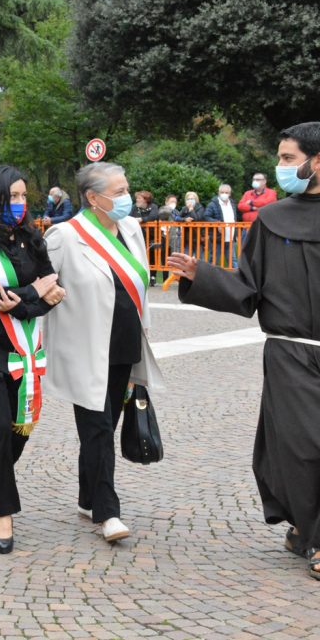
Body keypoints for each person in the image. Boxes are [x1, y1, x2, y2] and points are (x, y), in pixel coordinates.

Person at [168, 122, 320, 581]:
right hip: (293, 352)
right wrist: (200, 275)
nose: (280, 168)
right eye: (281, 158)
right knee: (302, 446)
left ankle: (309, 532)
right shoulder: (272, 222)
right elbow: (246, 289)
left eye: (289, 159)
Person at [42, 162, 163, 543]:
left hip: (125, 346)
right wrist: (46, 293)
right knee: (96, 430)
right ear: (93, 198)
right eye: (119, 191)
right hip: (85, 350)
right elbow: (42, 284)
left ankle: (86, 495)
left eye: (127, 188)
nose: (127, 198)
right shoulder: (64, 235)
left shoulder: (131, 228)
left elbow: (139, 282)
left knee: (105, 427)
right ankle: (107, 513)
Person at [0, 165, 64, 554]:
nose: (18, 204)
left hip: (26, 350)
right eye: (11, 198)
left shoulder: (33, 239)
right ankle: (3, 512)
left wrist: (25, 299)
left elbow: (51, 288)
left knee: (23, 427)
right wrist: (33, 292)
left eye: (22, 197)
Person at [203, 183, 240, 266]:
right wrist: (217, 223)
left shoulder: (232, 204)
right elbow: (206, 216)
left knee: (233, 260)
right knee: (214, 260)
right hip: (218, 237)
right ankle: (209, 277)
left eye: (226, 193)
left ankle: (237, 278)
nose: (224, 194)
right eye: (222, 192)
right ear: (218, 193)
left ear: (230, 194)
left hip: (230, 237)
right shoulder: (212, 204)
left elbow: (234, 219)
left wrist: (236, 233)